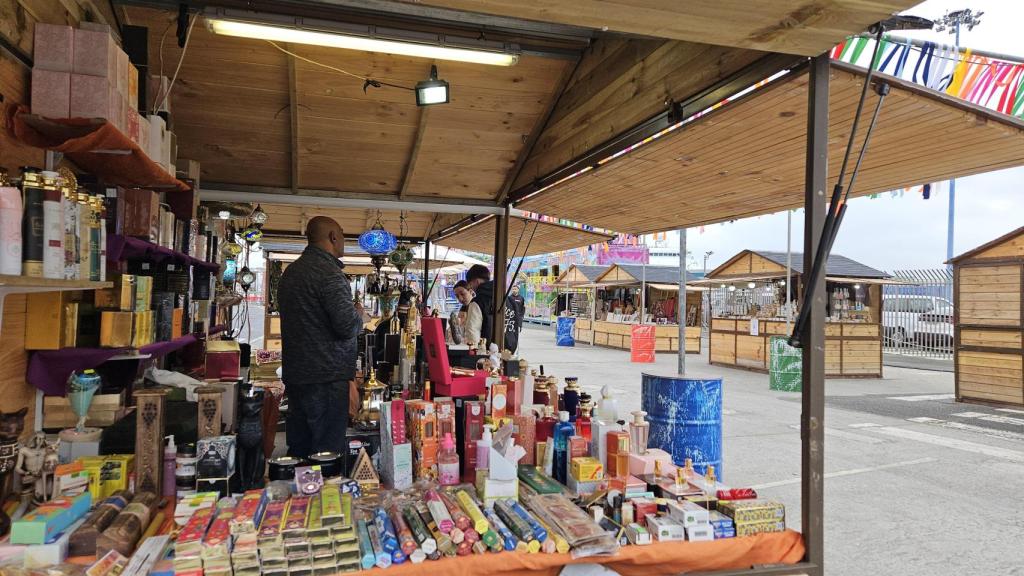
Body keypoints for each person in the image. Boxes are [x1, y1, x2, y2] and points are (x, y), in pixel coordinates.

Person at [278, 216, 364, 458]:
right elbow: (347, 326)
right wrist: (359, 316)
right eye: (343, 236)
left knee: (300, 448)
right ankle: (323, 495)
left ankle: (301, 494)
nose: (344, 242)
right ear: (333, 237)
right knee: (326, 453)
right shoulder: (330, 275)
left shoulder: (291, 273)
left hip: (297, 375)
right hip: (326, 377)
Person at [463, 264, 491, 346]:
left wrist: (473, 352)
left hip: (485, 355)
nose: (471, 288)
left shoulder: (477, 302)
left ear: (476, 281)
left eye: (470, 284)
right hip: (508, 353)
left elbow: (472, 332)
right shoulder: (505, 298)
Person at [503, 284, 526, 354]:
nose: (514, 290)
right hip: (510, 319)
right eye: (513, 289)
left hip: (518, 319)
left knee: (516, 335)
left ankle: (515, 353)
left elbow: (523, 309)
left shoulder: (521, 298)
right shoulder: (509, 298)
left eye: (515, 289)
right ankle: (507, 352)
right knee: (508, 337)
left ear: (518, 290)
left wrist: (521, 318)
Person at [449, 280, 473, 344]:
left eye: (462, 294)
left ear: (470, 291)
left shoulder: (475, 307)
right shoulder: (463, 308)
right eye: (457, 296)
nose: (460, 298)